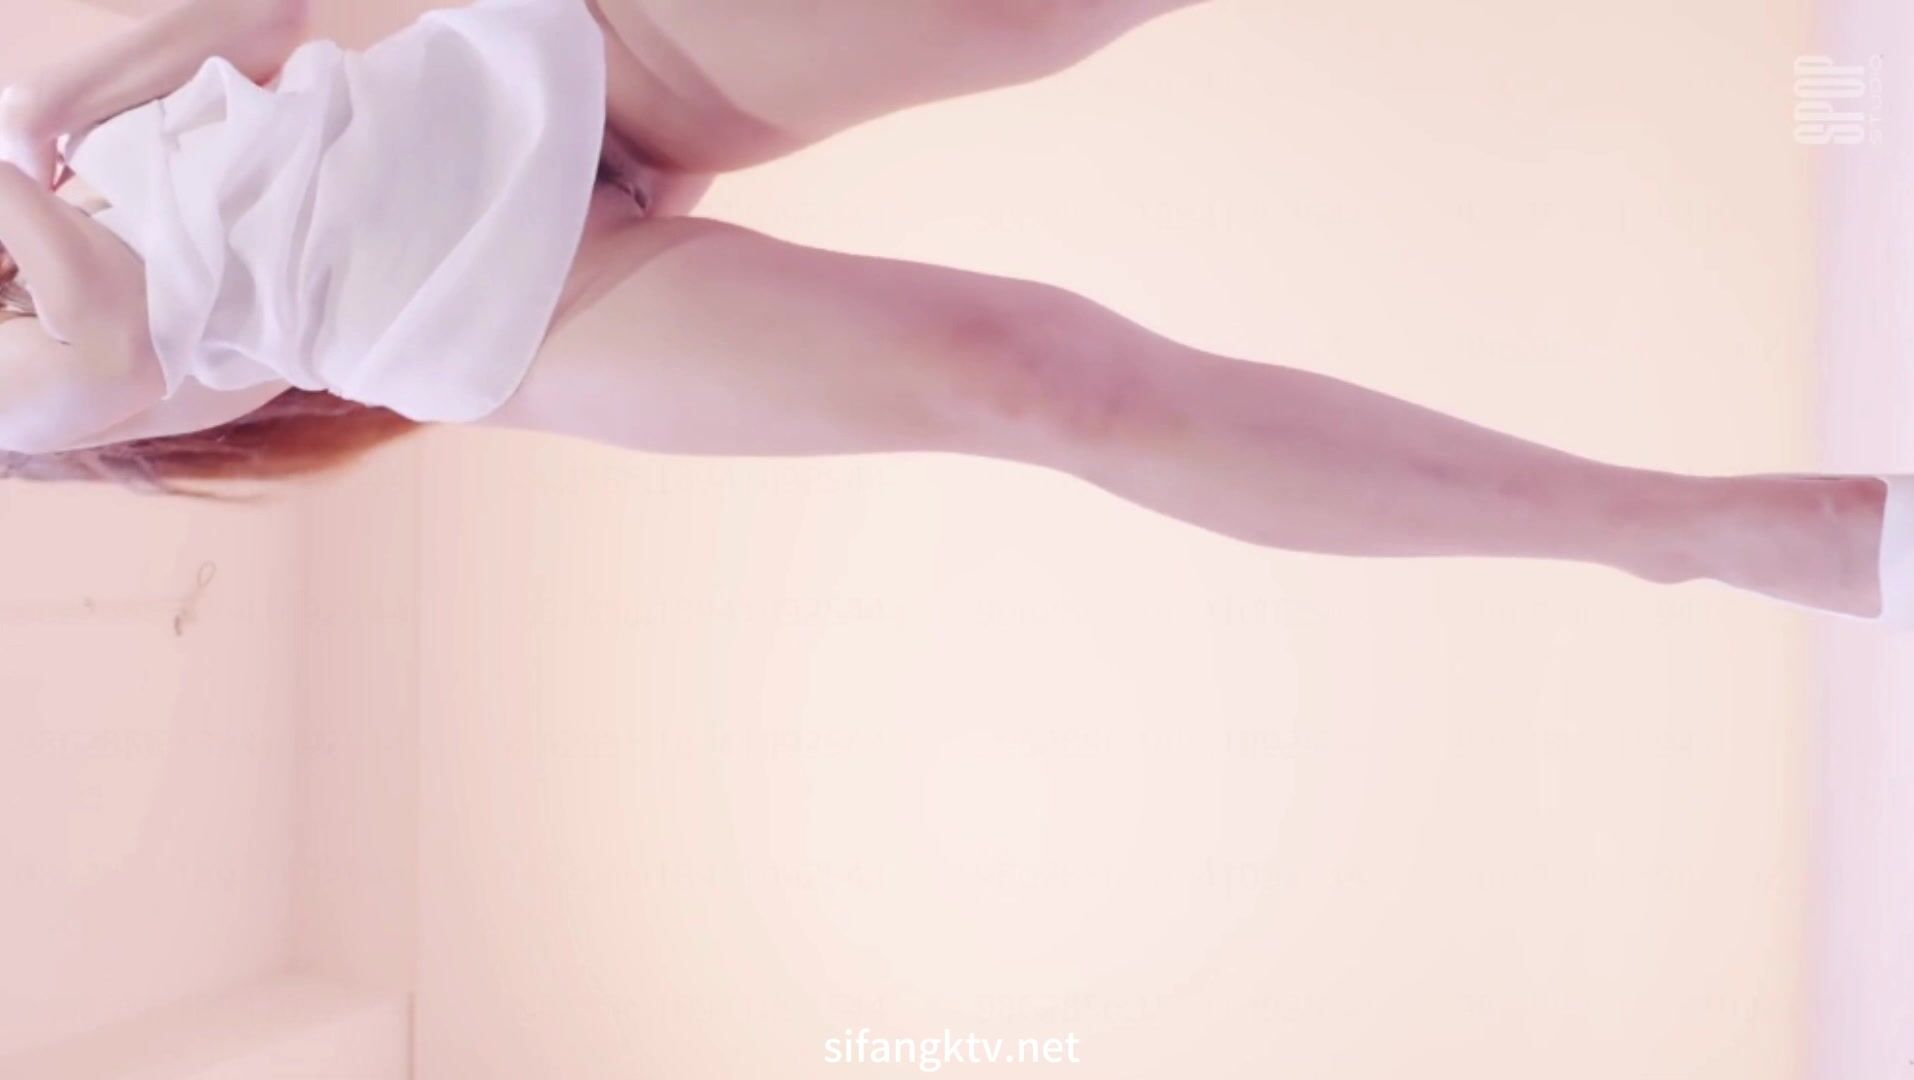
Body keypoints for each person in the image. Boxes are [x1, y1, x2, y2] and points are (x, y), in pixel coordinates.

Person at [0, 0, 1904, 628]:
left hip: (555, 68)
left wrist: (62, 89)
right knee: (1043, 383)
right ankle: (1736, 536)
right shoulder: (25, 386)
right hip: (522, 309)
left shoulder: (55, 163)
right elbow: (104, 347)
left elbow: (272, 17)